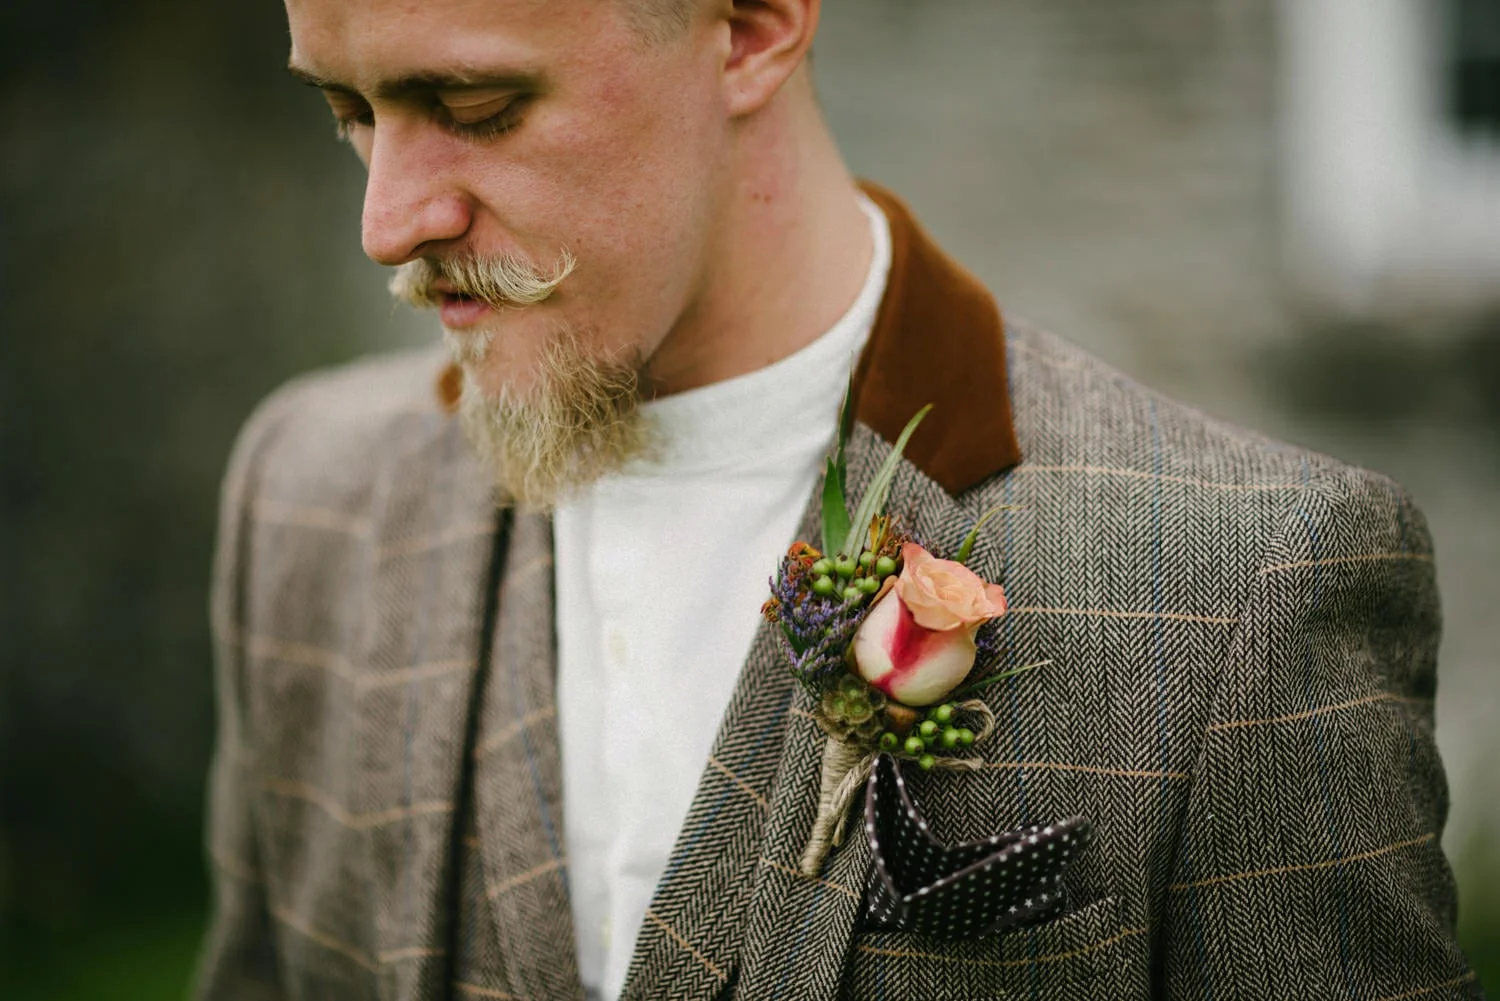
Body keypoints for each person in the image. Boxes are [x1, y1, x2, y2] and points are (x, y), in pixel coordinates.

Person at [195, 0, 1481, 998]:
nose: (387, 222)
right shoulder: (304, 494)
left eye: (475, 106)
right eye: (351, 113)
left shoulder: (1246, 580)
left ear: (755, 26)